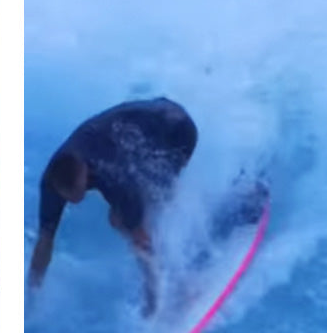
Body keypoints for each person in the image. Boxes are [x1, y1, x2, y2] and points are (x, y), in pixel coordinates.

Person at [28, 97, 199, 317]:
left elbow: (140, 239)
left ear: (84, 173)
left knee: (138, 217)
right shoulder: (52, 182)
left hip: (177, 130)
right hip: (146, 123)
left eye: (75, 192)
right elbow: (44, 242)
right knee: (126, 217)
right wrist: (31, 297)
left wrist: (152, 301)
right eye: (65, 196)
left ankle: (185, 289)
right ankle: (174, 276)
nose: (72, 200)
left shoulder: (113, 175)